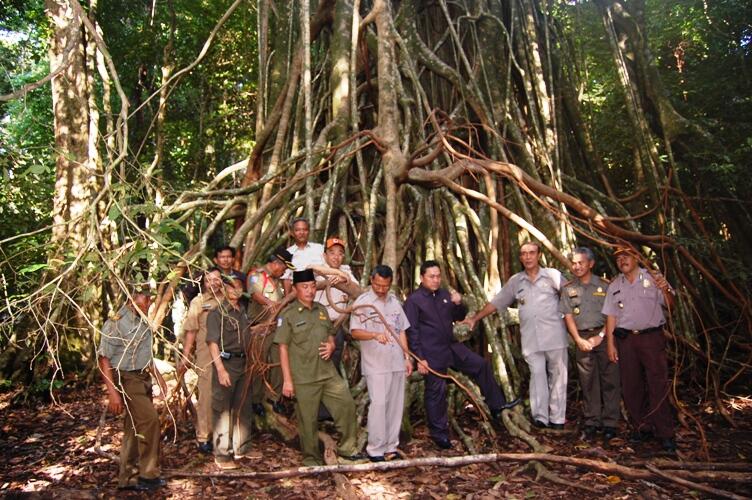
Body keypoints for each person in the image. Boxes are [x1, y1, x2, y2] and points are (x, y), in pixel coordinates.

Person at [404, 260, 520, 450]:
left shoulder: (443, 294)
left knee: (481, 365)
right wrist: (419, 358)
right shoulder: (414, 301)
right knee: (436, 391)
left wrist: (458, 303)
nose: (435, 280)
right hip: (431, 352)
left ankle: (497, 406)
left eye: (438, 276)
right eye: (431, 276)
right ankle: (439, 434)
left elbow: (457, 316)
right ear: (422, 278)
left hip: (451, 346)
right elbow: (412, 331)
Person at [465, 242, 568, 429]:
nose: (528, 257)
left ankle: (558, 418)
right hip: (530, 337)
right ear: (520, 258)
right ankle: (541, 417)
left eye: (531, 253)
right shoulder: (516, 281)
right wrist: (475, 318)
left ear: (539, 255)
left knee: (558, 375)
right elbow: (497, 302)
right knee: (537, 376)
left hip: (554, 335)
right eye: (523, 254)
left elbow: (571, 296)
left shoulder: (552, 276)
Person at [274, 269, 363, 466]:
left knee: (346, 405)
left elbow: (330, 334)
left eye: (313, 286)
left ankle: (348, 449)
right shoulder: (288, 315)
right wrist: (287, 381)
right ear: (296, 289)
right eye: (305, 287)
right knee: (308, 420)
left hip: (327, 374)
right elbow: (282, 348)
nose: (310, 291)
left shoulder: (322, 310)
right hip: (304, 377)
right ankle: (311, 458)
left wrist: (331, 345)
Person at [603, 245, 677, 452]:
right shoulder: (615, 284)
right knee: (631, 386)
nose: (622, 260)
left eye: (626, 256)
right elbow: (610, 316)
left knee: (657, 384)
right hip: (626, 340)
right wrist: (610, 344)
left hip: (651, 338)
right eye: (618, 258)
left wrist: (665, 288)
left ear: (636, 257)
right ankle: (641, 428)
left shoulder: (653, 278)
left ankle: (665, 433)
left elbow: (671, 306)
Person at [97, 290, 167, 491]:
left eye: (149, 298)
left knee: (134, 427)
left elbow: (146, 355)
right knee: (150, 421)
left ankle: (127, 477)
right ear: (131, 298)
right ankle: (148, 474)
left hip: (142, 376)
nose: (149, 302)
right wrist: (113, 393)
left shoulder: (143, 321)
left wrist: (159, 378)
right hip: (127, 378)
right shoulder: (116, 322)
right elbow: (104, 359)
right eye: (145, 298)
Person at [349, 265, 412, 462]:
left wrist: (407, 357)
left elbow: (401, 330)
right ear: (371, 280)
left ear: (390, 283)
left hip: (396, 361)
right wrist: (374, 335)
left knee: (395, 405)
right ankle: (375, 449)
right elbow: (355, 332)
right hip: (376, 364)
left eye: (385, 286)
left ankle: (391, 446)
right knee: (379, 405)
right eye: (377, 285)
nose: (381, 289)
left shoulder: (394, 302)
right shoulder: (363, 303)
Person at [559, 247, 620, 440]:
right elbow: (567, 316)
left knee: (610, 379)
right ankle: (592, 421)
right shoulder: (568, 289)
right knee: (588, 381)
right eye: (574, 263)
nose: (576, 267)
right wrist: (577, 339)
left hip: (605, 336)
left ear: (591, 264)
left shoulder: (605, 286)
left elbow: (613, 314)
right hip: (582, 338)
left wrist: (601, 336)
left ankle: (610, 423)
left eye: (581, 263)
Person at [206, 276, 257, 470]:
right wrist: (220, 369)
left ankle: (242, 447)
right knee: (222, 409)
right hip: (226, 364)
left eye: (239, 286)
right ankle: (222, 455)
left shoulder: (242, 311)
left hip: (243, 363)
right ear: (224, 288)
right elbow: (212, 343)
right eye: (231, 286)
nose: (235, 290)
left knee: (243, 405)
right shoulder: (217, 313)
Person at [178, 268, 224, 453]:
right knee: (206, 395)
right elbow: (191, 330)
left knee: (225, 395)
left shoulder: (228, 299)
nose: (213, 283)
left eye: (217, 279)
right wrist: (186, 355)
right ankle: (203, 437)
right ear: (204, 284)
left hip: (228, 354)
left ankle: (221, 435)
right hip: (206, 355)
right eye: (209, 280)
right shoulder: (199, 302)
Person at [246, 247, 294, 414]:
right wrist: (270, 303)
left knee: (278, 363)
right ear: (276, 263)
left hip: (277, 328)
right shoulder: (256, 275)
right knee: (258, 363)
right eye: (284, 267)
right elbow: (254, 294)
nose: (284, 271)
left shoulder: (279, 281)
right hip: (260, 327)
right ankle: (256, 400)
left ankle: (274, 397)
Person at [314, 236, 359, 371]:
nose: (336, 257)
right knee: (317, 363)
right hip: (318, 325)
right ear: (324, 255)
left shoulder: (347, 272)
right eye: (332, 252)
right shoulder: (318, 269)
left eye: (340, 253)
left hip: (336, 326)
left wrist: (344, 279)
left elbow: (358, 292)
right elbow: (311, 270)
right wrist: (336, 273)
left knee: (334, 364)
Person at [282, 217, 325, 294]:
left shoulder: (319, 248)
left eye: (305, 230)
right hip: (299, 295)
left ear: (309, 232)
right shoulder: (287, 253)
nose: (301, 233)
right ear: (292, 233)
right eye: (297, 230)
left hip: (322, 293)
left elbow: (329, 269)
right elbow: (287, 279)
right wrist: (287, 300)